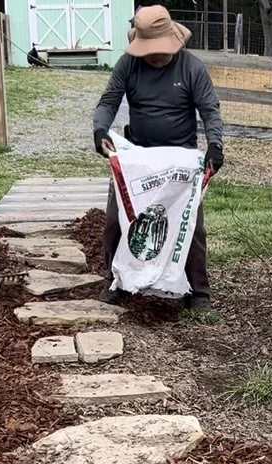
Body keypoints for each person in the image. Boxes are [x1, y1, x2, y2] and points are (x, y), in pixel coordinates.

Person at [91, 4, 224, 312]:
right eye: (148, 49)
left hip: (181, 157)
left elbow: (210, 110)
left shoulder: (191, 68)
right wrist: (100, 131)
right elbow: (109, 100)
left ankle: (200, 291)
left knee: (192, 226)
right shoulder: (128, 65)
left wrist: (215, 145)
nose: (155, 55)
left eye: (160, 49)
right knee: (115, 220)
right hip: (138, 156)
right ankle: (115, 279)